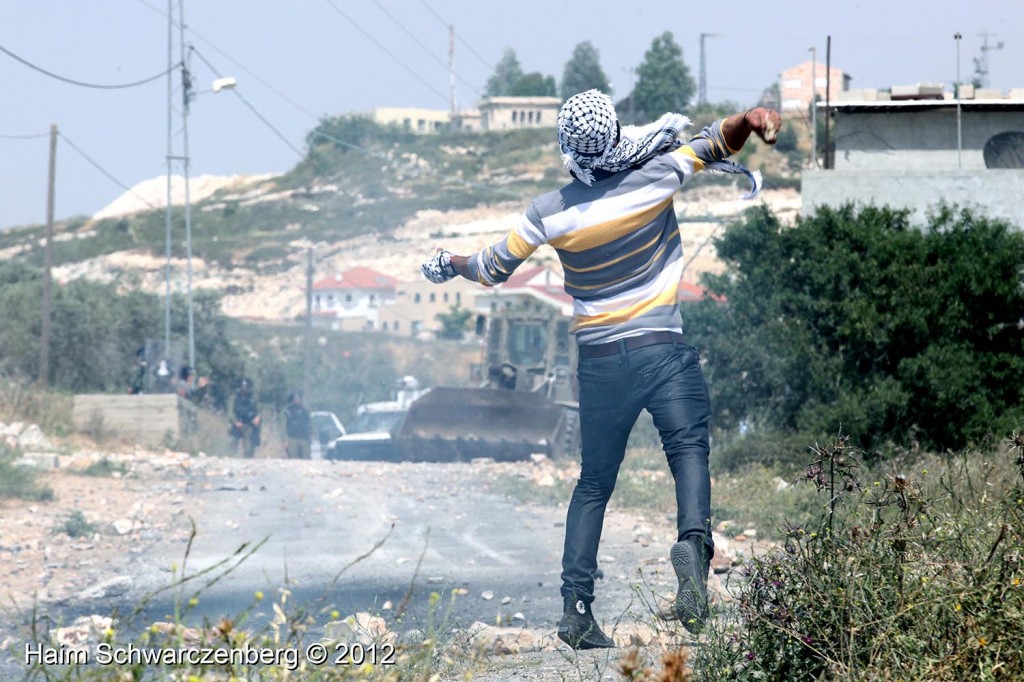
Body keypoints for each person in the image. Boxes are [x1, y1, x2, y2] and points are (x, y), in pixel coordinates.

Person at [420, 90, 781, 649]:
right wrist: (751, 120)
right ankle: (693, 544)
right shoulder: (660, 174)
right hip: (663, 349)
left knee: (594, 482)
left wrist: (450, 262)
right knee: (688, 451)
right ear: (616, 133)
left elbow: (491, 268)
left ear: (568, 149)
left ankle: (577, 610)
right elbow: (717, 142)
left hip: (601, 363)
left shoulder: (550, 211)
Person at [231, 378, 261, 458]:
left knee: (249, 446)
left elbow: (259, 410)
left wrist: (257, 417)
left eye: (246, 387)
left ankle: (248, 460)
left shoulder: (253, 398)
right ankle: (230, 458)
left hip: (249, 424)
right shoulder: (235, 397)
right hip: (237, 424)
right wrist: (235, 421)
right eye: (243, 386)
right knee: (232, 442)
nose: (244, 388)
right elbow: (230, 411)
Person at [283, 391, 311, 460]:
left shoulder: (305, 411)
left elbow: (309, 425)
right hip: (292, 438)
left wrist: (309, 438)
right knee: (293, 459)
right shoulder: (288, 411)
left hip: (303, 438)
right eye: (295, 398)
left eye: (298, 398)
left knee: (306, 458)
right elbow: (284, 426)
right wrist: (285, 440)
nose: (296, 400)